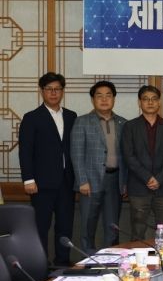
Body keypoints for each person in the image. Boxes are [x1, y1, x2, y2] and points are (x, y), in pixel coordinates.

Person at [18, 72, 77, 265]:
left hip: (67, 182)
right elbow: (25, 151)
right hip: (41, 184)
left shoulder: (71, 116)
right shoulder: (32, 117)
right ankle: (40, 266)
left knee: (65, 227)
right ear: (42, 91)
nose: (53, 93)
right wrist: (28, 179)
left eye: (57, 89)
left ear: (62, 91)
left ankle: (62, 263)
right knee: (41, 227)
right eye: (49, 89)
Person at [70, 80, 127, 253]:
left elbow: (126, 156)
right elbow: (76, 153)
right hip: (90, 182)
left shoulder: (123, 123)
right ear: (93, 99)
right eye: (99, 96)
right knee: (88, 225)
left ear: (114, 99)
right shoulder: (82, 122)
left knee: (113, 227)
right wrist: (82, 181)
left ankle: (111, 259)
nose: (104, 99)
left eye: (108, 95)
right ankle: (89, 261)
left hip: (115, 180)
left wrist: (124, 182)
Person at [121, 85, 163, 239]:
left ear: (159, 102)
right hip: (139, 187)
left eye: (154, 99)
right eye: (146, 99)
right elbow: (129, 157)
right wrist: (147, 177)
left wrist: (159, 178)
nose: (150, 102)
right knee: (138, 232)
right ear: (139, 103)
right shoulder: (130, 126)